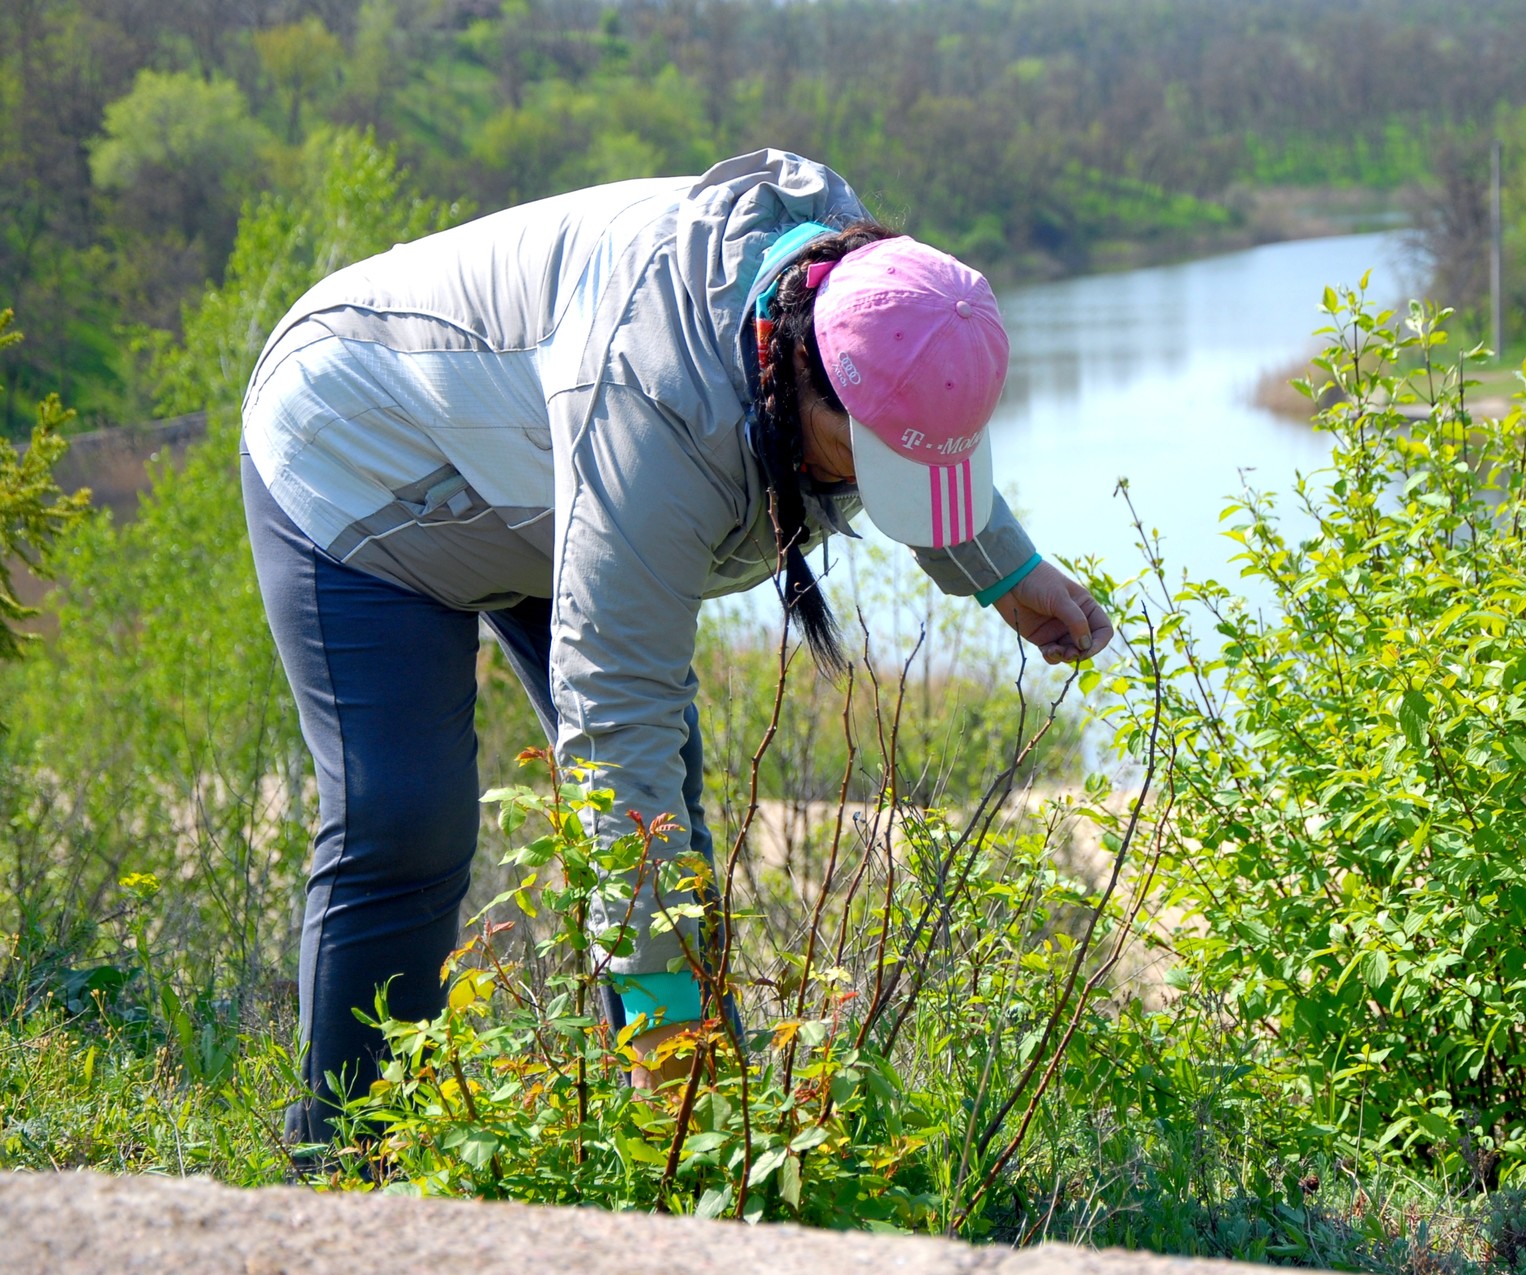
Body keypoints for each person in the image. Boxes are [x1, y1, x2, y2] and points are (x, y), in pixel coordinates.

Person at [239, 149, 1114, 1143]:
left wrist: (1004, 569)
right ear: (796, 385)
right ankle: (349, 1163)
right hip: (361, 450)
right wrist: (669, 1027)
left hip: (532, 472)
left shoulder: (874, 294)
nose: (872, 487)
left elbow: (915, 410)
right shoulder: (653, 407)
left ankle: (696, 1154)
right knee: (409, 817)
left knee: (671, 812)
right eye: (865, 463)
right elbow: (619, 726)